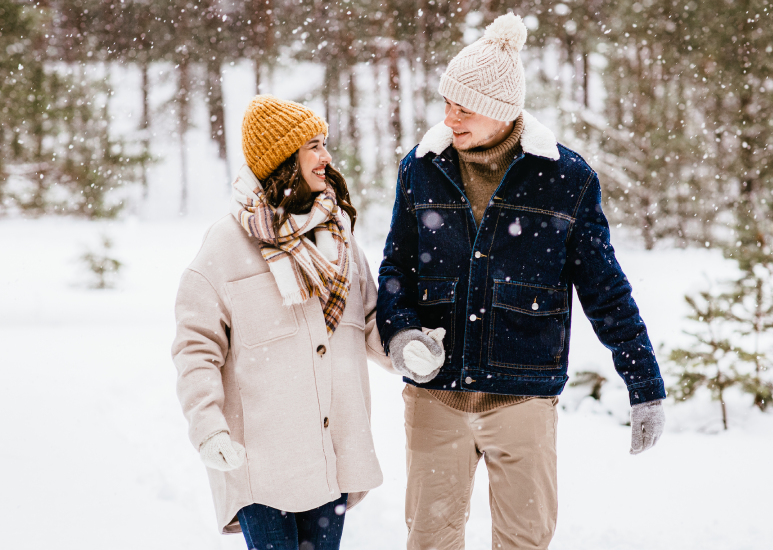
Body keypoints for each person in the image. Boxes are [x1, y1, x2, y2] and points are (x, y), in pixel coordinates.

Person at [377, 13, 666, 550]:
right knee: (429, 540)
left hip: (523, 396)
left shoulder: (566, 179)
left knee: (525, 541)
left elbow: (605, 289)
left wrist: (644, 384)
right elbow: (396, 269)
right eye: (447, 103)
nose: (450, 117)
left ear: (502, 109)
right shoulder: (420, 168)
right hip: (436, 395)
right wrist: (400, 336)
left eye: (464, 107)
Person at [172, 95, 391, 550]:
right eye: (314, 145)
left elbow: (371, 320)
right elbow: (196, 348)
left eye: (324, 143)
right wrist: (208, 427)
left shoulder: (339, 235)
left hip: (330, 458)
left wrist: (410, 346)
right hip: (262, 463)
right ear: (283, 158)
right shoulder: (227, 243)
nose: (327, 158)